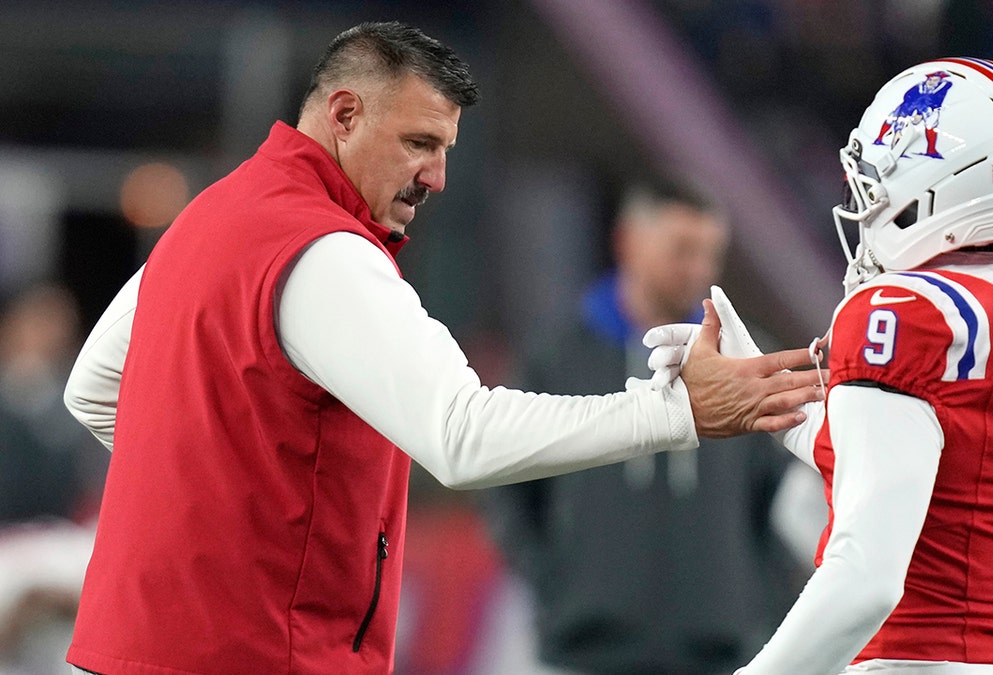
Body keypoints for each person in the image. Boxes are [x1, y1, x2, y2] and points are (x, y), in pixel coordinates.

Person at [59, 22, 824, 675]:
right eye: (420, 142)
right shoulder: (325, 250)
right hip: (259, 653)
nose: (439, 176)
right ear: (345, 114)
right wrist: (679, 411)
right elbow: (463, 437)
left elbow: (92, 388)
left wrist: (220, 506)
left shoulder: (208, 215)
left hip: (134, 648)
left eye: (449, 147)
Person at [648, 57, 993, 674]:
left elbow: (865, 578)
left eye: (873, 185)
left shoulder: (906, 314)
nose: (863, 206)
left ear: (943, 190)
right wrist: (774, 396)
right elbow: (934, 465)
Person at [482, 178, 806, 674]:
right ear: (627, 241)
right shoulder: (559, 357)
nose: (699, 269)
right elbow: (506, 485)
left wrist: (753, 598)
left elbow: (783, 498)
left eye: (709, 253)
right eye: (683, 250)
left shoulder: (746, 364)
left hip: (721, 653)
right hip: (585, 652)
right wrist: (559, 581)